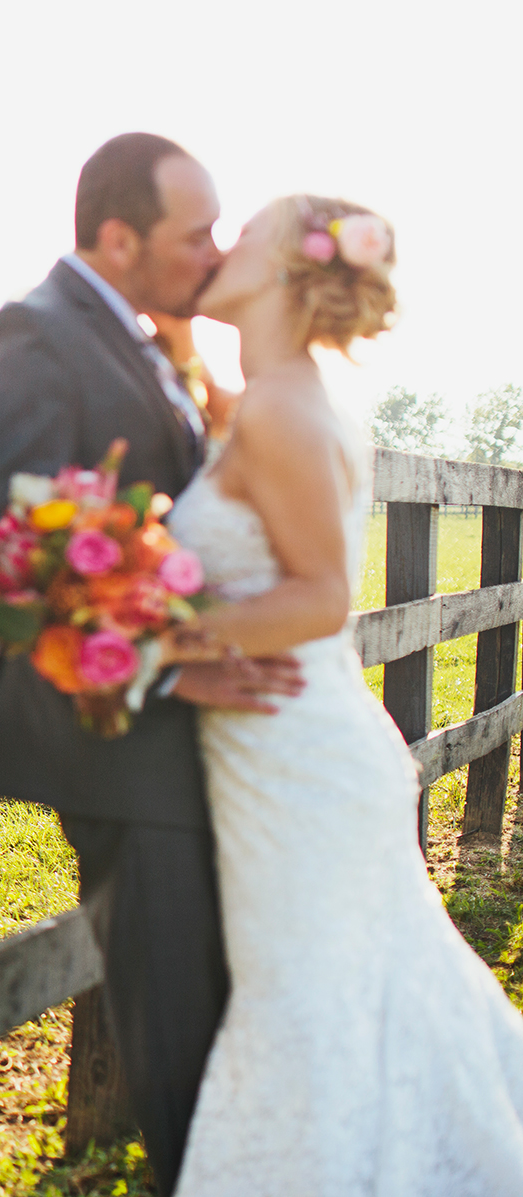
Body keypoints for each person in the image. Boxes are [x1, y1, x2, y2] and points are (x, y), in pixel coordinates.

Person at [0, 133, 303, 1189]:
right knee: (181, 1040)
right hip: (118, 743)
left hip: (184, 740)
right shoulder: (35, 334)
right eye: (195, 233)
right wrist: (164, 666)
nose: (213, 251)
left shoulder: (142, 343)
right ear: (117, 237)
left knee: (221, 1020)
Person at [162, 195, 523, 1194]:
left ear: (284, 270)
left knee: (312, 1016)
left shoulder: (282, 407)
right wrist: (175, 340)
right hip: (293, 749)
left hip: (295, 763)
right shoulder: (275, 397)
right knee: (364, 1009)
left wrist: (147, 641)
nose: (220, 243)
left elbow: (320, 597)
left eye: (242, 232)